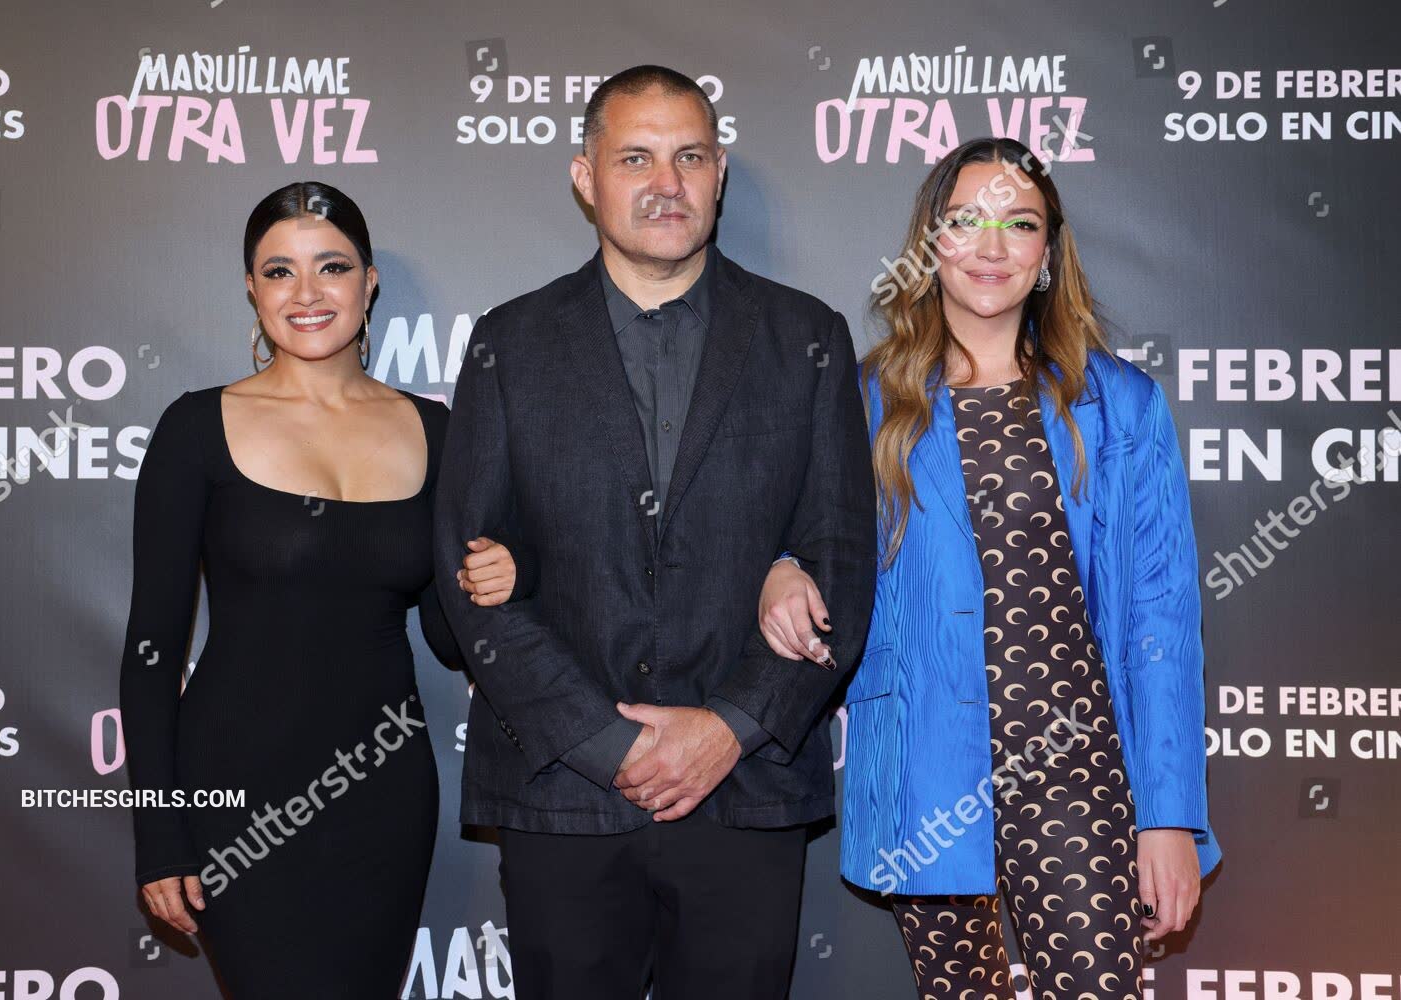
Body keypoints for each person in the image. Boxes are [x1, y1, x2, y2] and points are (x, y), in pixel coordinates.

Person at [432, 65, 875, 1000]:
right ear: (585, 176)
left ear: (720, 173)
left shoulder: (808, 337)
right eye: (635, 158)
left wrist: (730, 729)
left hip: (746, 789)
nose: (667, 183)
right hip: (563, 791)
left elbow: (840, 560)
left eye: (690, 157)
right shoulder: (509, 343)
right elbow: (470, 578)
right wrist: (604, 740)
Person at [758, 137, 1221, 1000]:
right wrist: (785, 566)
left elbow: (1159, 618)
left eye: (1020, 224)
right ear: (931, 243)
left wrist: (1168, 818)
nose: (992, 246)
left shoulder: (1119, 404)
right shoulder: (864, 399)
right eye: (967, 220)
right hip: (926, 760)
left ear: (1048, 254)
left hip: (1077, 762)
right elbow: (810, 532)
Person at [118, 181, 528, 998]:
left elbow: (448, 638)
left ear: (369, 283)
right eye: (280, 271)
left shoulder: (437, 432)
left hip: (381, 793)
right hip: (236, 791)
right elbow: (152, 651)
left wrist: (502, 578)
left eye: (331, 267)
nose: (306, 293)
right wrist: (160, 834)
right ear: (252, 288)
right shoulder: (197, 427)